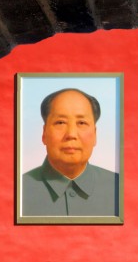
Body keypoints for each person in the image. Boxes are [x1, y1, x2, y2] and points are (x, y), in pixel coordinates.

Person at [21, 88, 119, 217]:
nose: (71, 134)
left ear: (95, 134)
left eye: (82, 123)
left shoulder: (120, 188)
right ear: (44, 133)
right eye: (60, 122)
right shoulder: (18, 190)